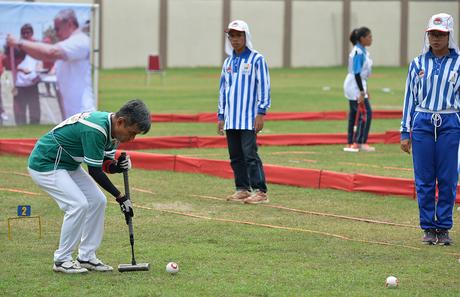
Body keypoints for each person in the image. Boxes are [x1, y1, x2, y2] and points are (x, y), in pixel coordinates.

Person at [27, 99, 151, 273]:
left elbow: (104, 164)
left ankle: (86, 257)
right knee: (78, 205)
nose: (131, 139)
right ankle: (61, 260)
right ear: (121, 121)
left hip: (68, 165)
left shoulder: (113, 130)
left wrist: (117, 166)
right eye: (131, 133)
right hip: (46, 163)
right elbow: (94, 171)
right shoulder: (96, 129)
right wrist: (120, 197)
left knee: (98, 201)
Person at [400, 13, 460, 245]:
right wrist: (406, 132)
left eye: (441, 34)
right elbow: (409, 99)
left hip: (450, 123)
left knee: (447, 177)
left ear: (449, 35)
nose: (436, 39)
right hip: (423, 122)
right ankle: (427, 227)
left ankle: (443, 227)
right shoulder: (417, 63)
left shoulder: (458, 63)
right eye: (432, 34)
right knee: (424, 179)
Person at [217, 20, 271, 204]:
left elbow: (264, 86)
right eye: (232, 35)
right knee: (235, 157)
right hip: (232, 119)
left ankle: (260, 191)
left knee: (250, 155)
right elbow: (223, 90)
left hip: (249, 119)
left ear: (246, 36)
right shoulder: (228, 62)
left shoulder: (257, 59)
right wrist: (221, 116)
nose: (235, 39)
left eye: (239, 35)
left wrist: (261, 112)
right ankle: (242, 188)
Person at [7, 8, 94, 119]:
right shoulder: (69, 44)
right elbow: (42, 56)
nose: (56, 34)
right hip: (73, 117)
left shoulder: (80, 41)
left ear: (70, 24)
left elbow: (50, 53)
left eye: (58, 29)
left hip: (83, 116)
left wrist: (19, 42)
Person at [343, 27, 375, 152]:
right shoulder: (358, 52)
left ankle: (351, 142)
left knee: (355, 114)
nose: (371, 39)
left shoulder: (362, 51)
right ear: (362, 39)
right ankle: (360, 142)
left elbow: (362, 74)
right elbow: (357, 73)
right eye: (369, 37)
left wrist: (365, 89)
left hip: (358, 84)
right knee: (365, 113)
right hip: (354, 85)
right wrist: (361, 91)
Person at [14, 24, 41, 125]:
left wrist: (38, 69)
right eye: (23, 33)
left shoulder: (37, 47)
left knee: (34, 108)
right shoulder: (16, 48)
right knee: (20, 109)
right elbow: (10, 64)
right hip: (20, 84)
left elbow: (41, 61)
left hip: (33, 83)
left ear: (32, 34)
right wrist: (20, 68)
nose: (26, 35)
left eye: (28, 32)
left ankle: (35, 126)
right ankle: (20, 127)